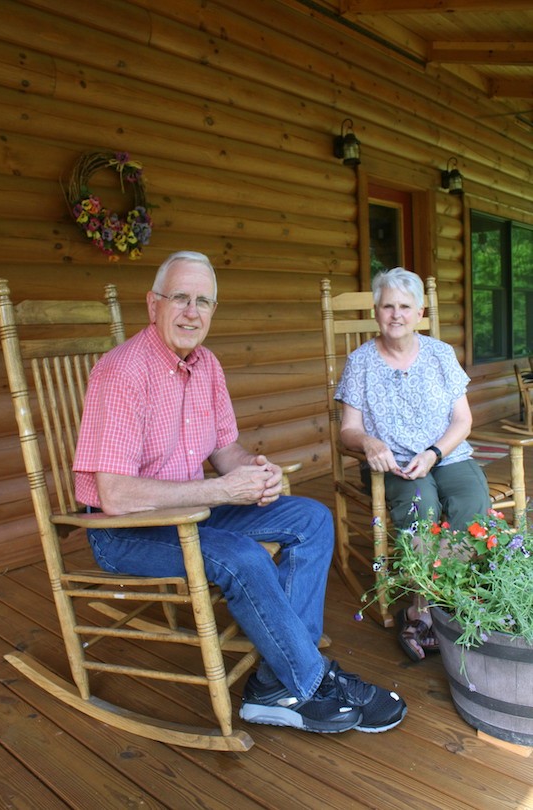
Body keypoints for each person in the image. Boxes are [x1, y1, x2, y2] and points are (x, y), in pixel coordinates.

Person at [73, 250, 406, 735]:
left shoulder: (206, 365)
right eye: (181, 298)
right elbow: (116, 495)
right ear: (153, 305)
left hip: (194, 511)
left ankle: (278, 679)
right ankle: (309, 679)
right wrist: (222, 488)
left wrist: (256, 471)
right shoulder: (123, 372)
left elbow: (227, 451)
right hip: (125, 530)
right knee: (241, 555)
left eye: (204, 301)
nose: (193, 312)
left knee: (311, 520)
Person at [335, 267, 491, 662]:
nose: (396, 314)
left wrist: (435, 453)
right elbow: (347, 430)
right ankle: (425, 609)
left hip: (446, 455)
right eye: (388, 306)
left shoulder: (440, 354)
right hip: (396, 467)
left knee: (472, 502)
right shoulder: (360, 362)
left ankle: (441, 594)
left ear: (419, 313)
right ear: (376, 311)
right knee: (422, 505)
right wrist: (369, 441)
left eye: (405, 306)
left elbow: (463, 421)